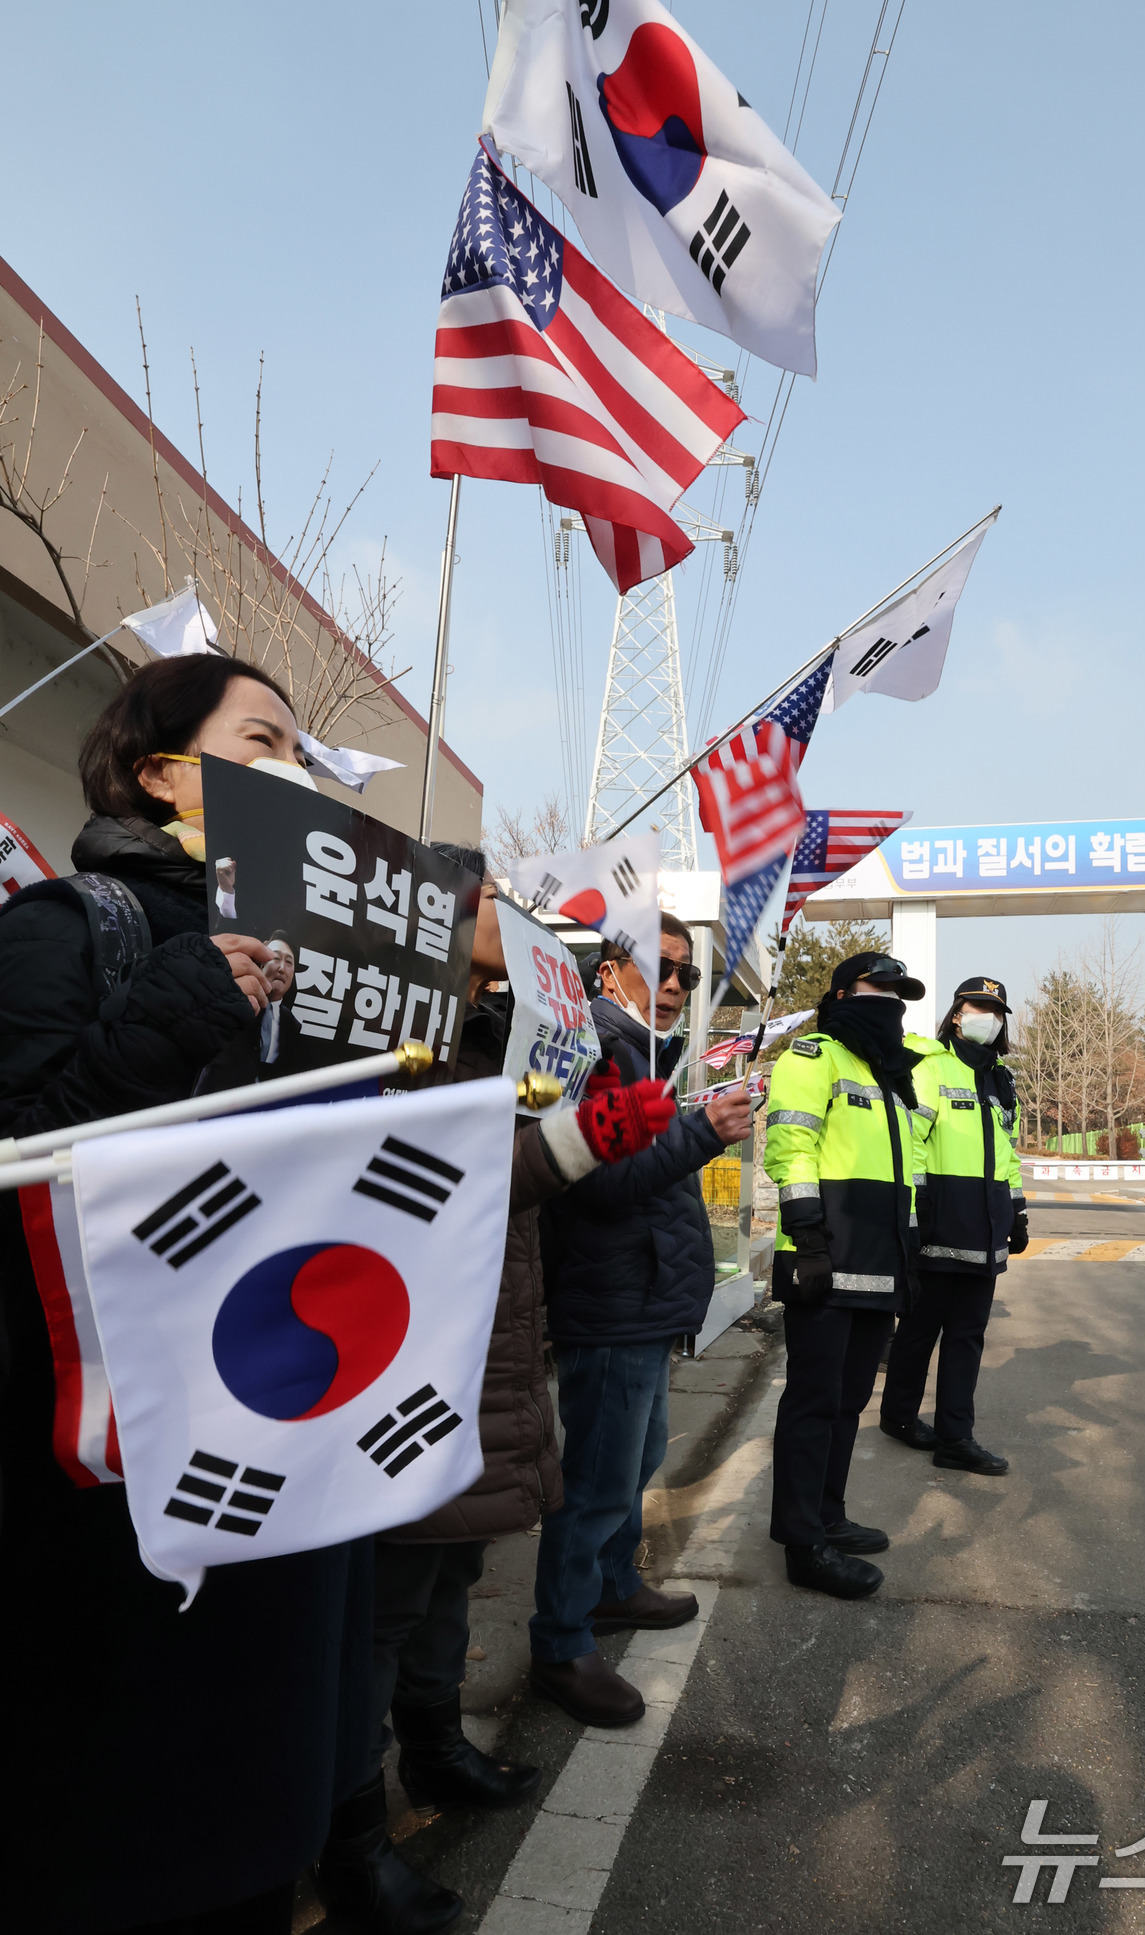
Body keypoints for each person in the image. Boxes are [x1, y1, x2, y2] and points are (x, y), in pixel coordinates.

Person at [0, 655, 372, 1934]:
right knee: (129, 1848)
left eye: (299, 751)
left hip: (280, 1450)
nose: (294, 770)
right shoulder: (68, 928)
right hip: (113, 1500)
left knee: (251, 1842)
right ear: (165, 777)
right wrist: (181, 1005)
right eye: (261, 741)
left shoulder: (331, 982)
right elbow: (20, 1161)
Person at [318, 857, 675, 1935]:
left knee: (453, 1567)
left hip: (495, 1341)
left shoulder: (493, 1036)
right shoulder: (381, 1039)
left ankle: (435, 1752)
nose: (509, 923)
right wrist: (577, 1143)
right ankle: (349, 1837)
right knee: (383, 1607)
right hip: (409, 1350)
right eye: (485, 902)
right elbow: (424, 1188)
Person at [531, 914, 754, 1725]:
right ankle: (559, 1639)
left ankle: (615, 1584)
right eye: (658, 968)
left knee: (637, 1457)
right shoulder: (591, 1051)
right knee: (593, 1480)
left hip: (647, 1294)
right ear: (606, 972)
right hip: (610, 1296)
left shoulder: (646, 1053)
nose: (672, 985)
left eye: (685, 975)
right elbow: (597, 1182)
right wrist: (701, 1131)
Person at [763, 951, 923, 1600]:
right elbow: (790, 1144)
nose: (888, 1000)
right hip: (824, 1260)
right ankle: (803, 1543)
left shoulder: (890, 1074)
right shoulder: (812, 1057)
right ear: (838, 995)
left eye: (897, 993)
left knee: (851, 1400)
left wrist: (911, 1253)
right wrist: (808, 1237)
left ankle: (828, 1514)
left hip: (879, 1266)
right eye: (874, 988)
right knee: (813, 1401)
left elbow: (907, 1173)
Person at [879, 976, 1026, 1475]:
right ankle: (898, 1416)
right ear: (957, 1014)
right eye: (977, 1006)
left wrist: (1019, 1208)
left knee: (967, 1336)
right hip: (940, 1226)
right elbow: (910, 1144)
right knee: (919, 1331)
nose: (988, 1016)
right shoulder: (931, 1069)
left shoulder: (1001, 1079)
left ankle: (955, 1438)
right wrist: (914, 1216)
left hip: (986, 1230)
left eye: (996, 1009)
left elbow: (1007, 1153)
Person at [197, 930, 303, 1091]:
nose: (282, 968)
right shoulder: (233, 1000)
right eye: (275, 958)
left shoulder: (292, 1025)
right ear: (261, 962)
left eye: (289, 962)